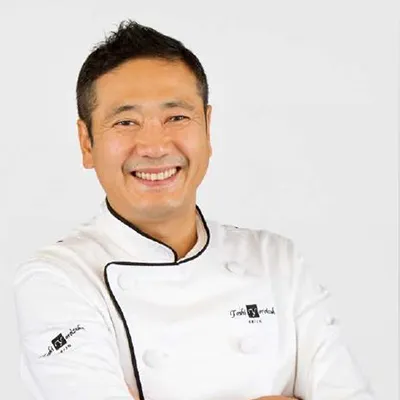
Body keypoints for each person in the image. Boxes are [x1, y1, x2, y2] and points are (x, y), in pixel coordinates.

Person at [13, 20, 374, 400]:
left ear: (207, 128)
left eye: (177, 117)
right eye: (126, 122)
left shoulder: (277, 262)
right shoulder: (57, 280)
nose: (154, 146)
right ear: (87, 143)